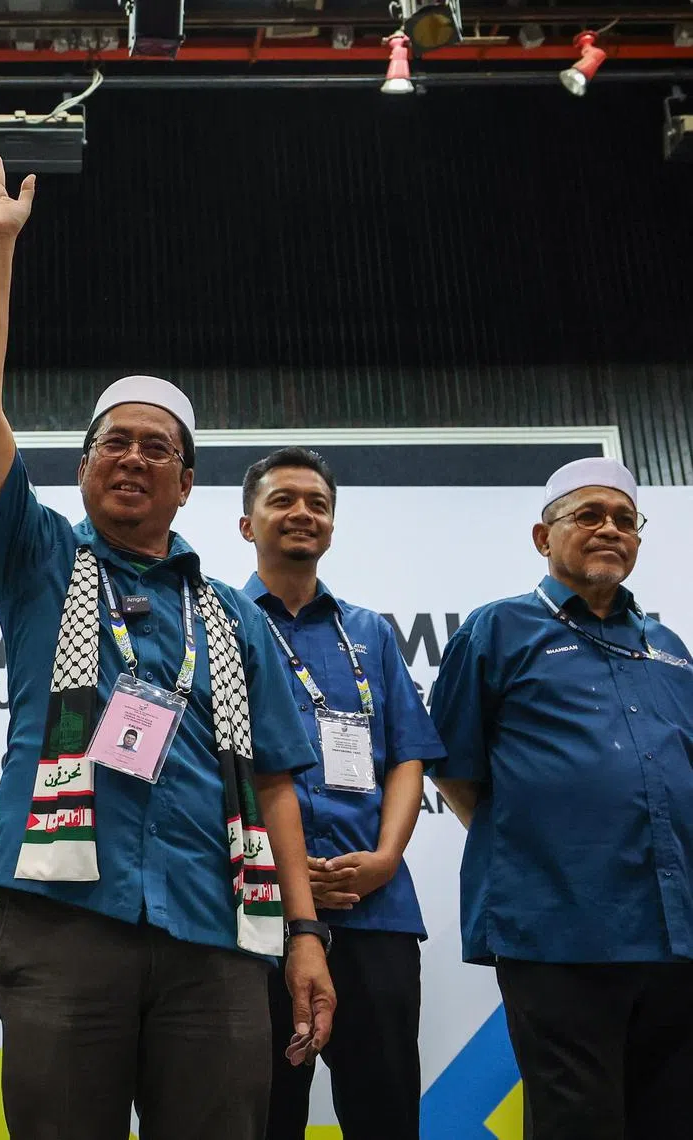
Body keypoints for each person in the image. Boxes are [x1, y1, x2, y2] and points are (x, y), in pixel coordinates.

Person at [0, 148, 335, 1140]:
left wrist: (303, 933)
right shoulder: (37, 560)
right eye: (112, 442)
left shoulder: (233, 615)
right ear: (81, 468)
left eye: (156, 447)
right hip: (64, 921)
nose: (131, 458)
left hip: (215, 929)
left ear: (187, 483)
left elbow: (277, 785)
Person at [429, 456, 693, 1140]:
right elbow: (453, 766)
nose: (611, 530)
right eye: (589, 515)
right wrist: (539, 845)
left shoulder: (668, 647)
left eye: (625, 520)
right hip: (557, 927)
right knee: (578, 1121)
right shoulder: (497, 630)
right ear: (544, 538)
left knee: (671, 1117)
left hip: (673, 935)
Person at [240, 447, 445, 1140]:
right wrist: (283, 870)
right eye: (283, 500)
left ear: (332, 525)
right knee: (265, 1114)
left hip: (374, 909)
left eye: (318, 504)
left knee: (385, 1112)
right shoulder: (218, 625)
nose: (303, 513)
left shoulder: (370, 633)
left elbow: (408, 755)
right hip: (259, 912)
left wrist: (385, 859)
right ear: (247, 524)